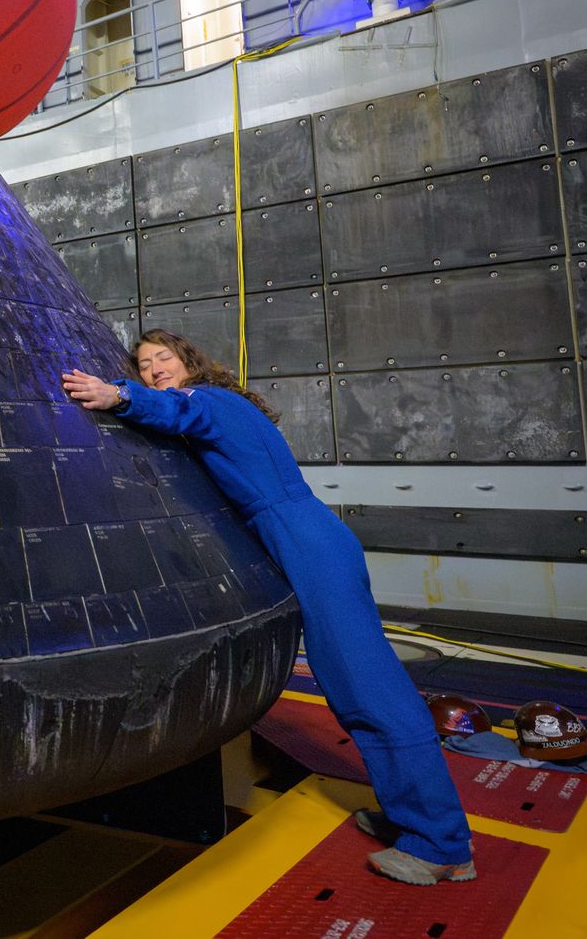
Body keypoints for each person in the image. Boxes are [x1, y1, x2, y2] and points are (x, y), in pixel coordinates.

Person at [62, 330, 476, 887]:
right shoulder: (219, 403)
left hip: (303, 540)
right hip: (300, 538)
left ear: (190, 363)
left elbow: (181, 413)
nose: (155, 369)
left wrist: (120, 396)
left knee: (367, 689)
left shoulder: (209, 401)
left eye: (164, 359)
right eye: (143, 366)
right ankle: (413, 819)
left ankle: (440, 844)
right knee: (354, 687)